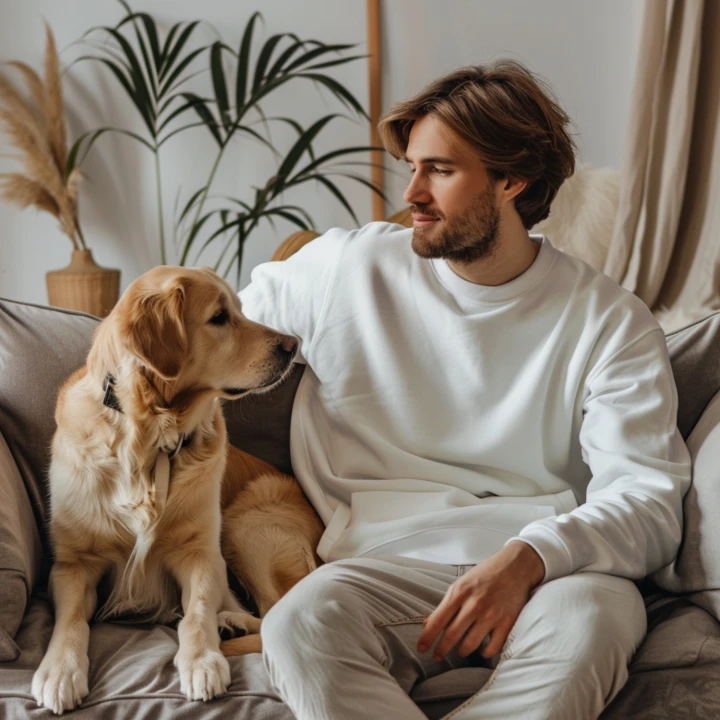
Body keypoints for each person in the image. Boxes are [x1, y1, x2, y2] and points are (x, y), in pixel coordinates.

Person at [237, 60, 691, 720]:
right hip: (384, 565)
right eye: (412, 167)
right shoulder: (344, 269)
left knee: (591, 622)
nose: (412, 193)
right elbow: (207, 334)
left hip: (554, 572)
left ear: (514, 179)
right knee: (299, 623)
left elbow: (649, 503)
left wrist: (532, 556)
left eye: (441, 171)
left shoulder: (609, 320)